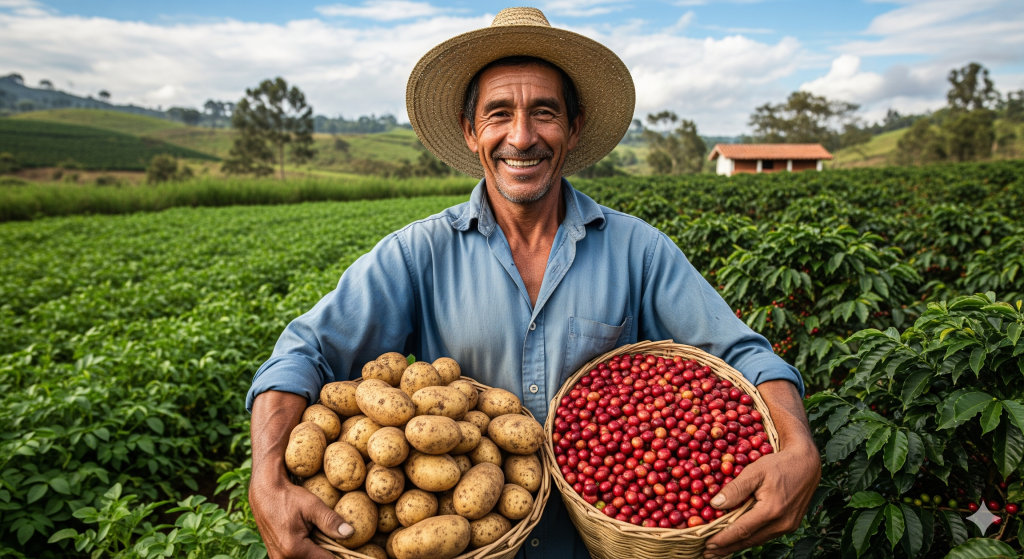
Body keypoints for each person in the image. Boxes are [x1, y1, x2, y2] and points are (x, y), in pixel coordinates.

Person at [245, 7, 820, 559]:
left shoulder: (638, 250)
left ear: (573, 129)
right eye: (499, 114)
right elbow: (304, 353)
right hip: (471, 542)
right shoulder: (418, 253)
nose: (522, 137)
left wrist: (797, 447)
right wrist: (267, 480)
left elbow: (744, 355)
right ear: (472, 133)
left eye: (544, 112)